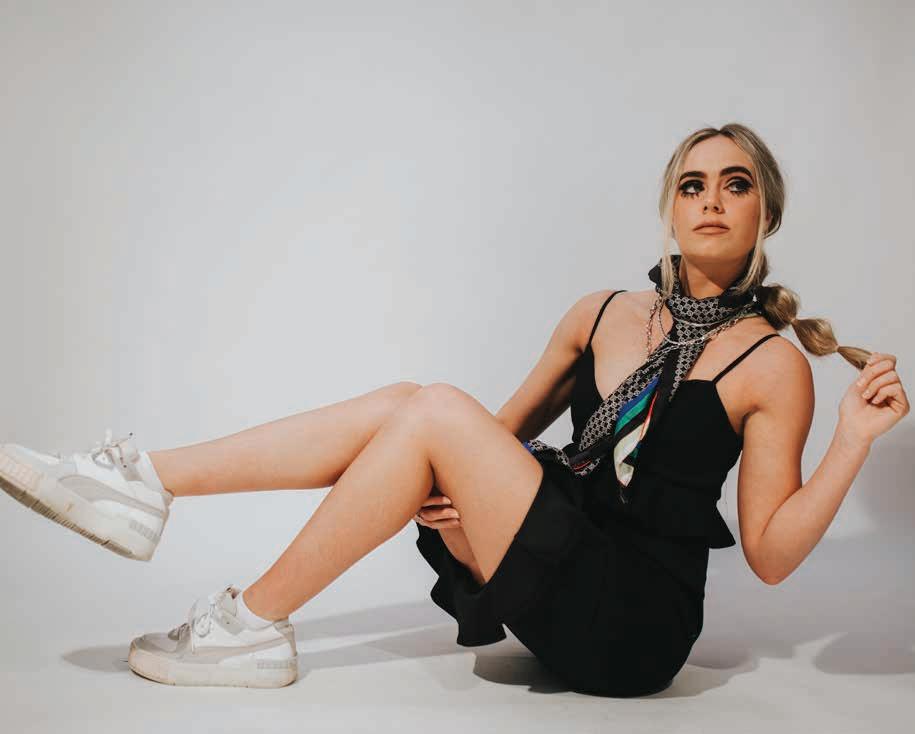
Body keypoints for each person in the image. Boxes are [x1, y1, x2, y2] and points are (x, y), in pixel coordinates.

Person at [0, 123, 908, 694]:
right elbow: (490, 439)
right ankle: (144, 483)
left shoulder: (769, 364)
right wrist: (445, 497)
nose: (711, 200)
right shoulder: (600, 314)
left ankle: (243, 610)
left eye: (735, 184)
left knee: (429, 407)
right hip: (553, 568)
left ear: (765, 215)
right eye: (692, 184)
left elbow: (770, 556)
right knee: (414, 405)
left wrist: (851, 440)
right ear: (668, 210)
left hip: (634, 626)